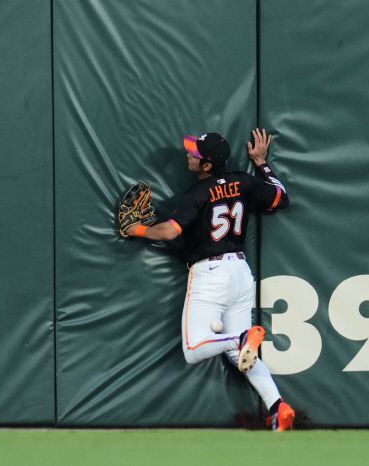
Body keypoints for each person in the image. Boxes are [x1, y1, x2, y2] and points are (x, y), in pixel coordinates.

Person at [125, 128, 294, 431]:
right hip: (241, 273)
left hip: (211, 273)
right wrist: (261, 162)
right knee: (238, 355)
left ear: (206, 166)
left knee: (194, 350)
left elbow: (170, 232)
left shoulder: (197, 193)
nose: (189, 155)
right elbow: (281, 198)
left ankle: (240, 338)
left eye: (195, 154)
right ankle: (277, 406)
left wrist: (137, 229)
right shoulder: (243, 181)